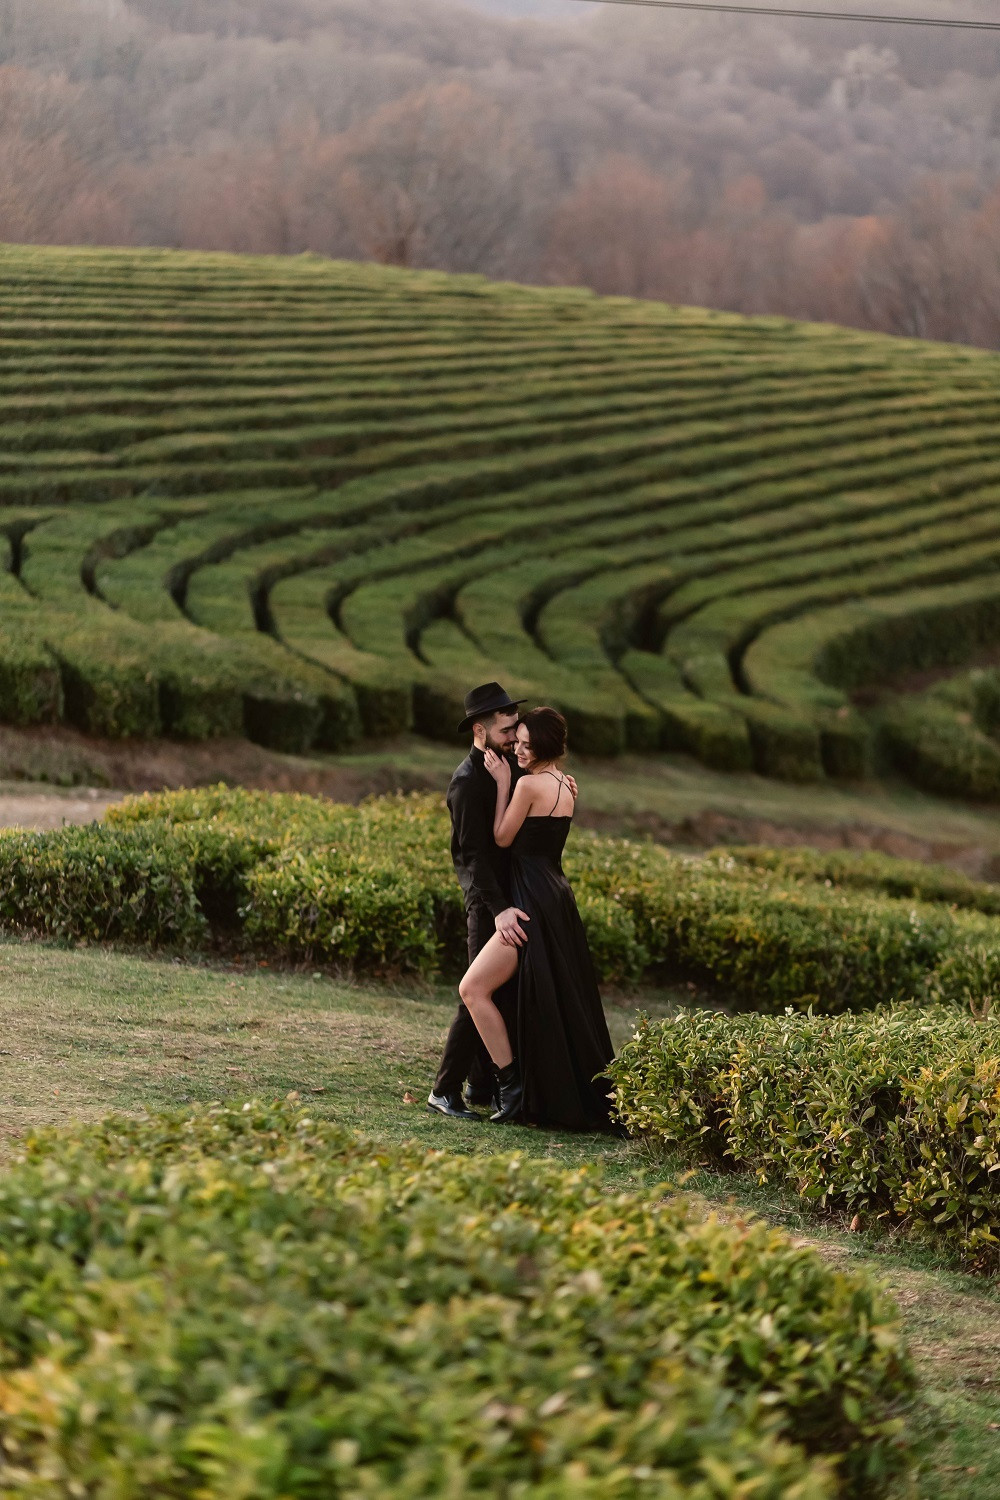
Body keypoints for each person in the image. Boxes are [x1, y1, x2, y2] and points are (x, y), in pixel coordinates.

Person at [459, 705, 616, 1131]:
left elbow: (501, 837)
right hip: (556, 896)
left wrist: (507, 782)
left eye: (527, 746)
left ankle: (511, 1087)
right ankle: (510, 1085)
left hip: (529, 900)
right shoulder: (565, 784)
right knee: (549, 996)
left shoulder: (526, 784)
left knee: (473, 988)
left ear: (544, 748)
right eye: (518, 742)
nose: (519, 750)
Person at [426, 682, 531, 1120]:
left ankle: (481, 1083)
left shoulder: (504, 767)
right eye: (506, 730)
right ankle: (443, 1090)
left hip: (509, 897)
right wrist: (498, 907)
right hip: (486, 903)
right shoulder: (467, 782)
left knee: (490, 992)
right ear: (479, 729)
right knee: (475, 994)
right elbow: (473, 857)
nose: (512, 737)